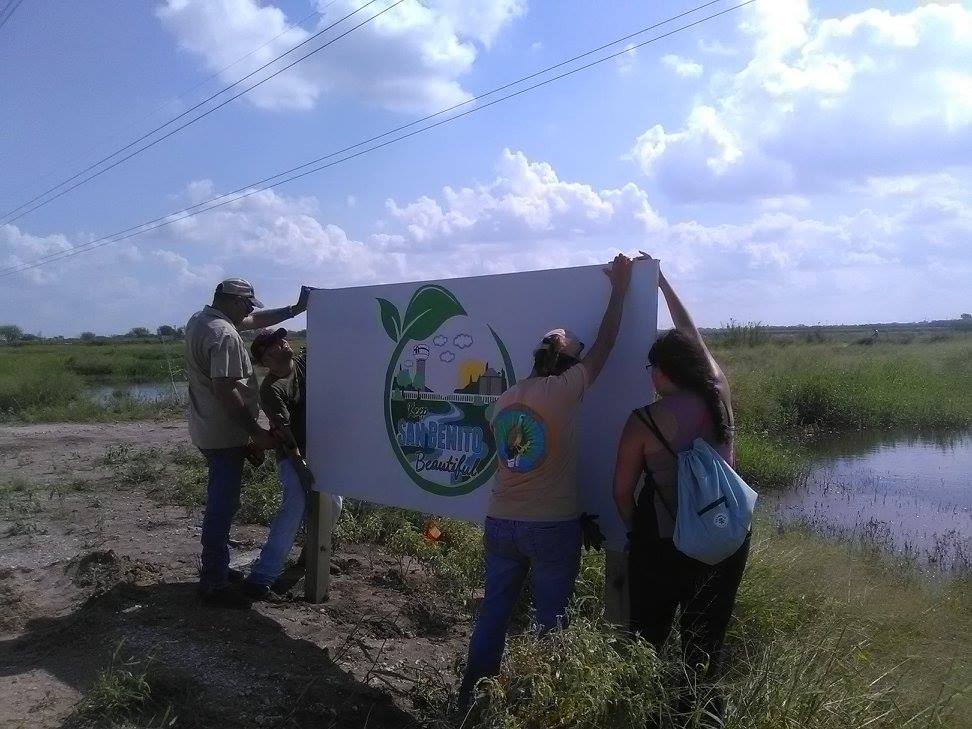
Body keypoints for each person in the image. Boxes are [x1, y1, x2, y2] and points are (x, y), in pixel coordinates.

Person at [457, 253, 634, 709]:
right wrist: (620, 287)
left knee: (494, 612)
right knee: (551, 620)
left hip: (501, 520)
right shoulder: (566, 389)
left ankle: (471, 701)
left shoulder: (506, 397)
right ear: (568, 363)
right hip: (551, 525)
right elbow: (608, 343)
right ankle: (539, 707)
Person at [612, 254, 744, 720]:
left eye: (653, 368)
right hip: (726, 533)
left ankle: (648, 715)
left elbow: (621, 493)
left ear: (663, 372)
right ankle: (702, 714)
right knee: (706, 640)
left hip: (665, 540)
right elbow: (693, 337)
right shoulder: (718, 389)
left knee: (648, 634)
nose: (650, 376)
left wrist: (637, 533)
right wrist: (663, 283)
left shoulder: (645, 421)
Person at [185, 278, 310, 608]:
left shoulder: (202, 320)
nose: (249, 312)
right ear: (232, 301)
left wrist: (294, 310)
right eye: (246, 304)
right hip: (224, 434)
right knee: (222, 506)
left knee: (223, 503)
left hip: (208, 430)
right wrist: (255, 432)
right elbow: (226, 390)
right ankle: (214, 581)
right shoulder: (224, 335)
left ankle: (219, 569)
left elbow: (255, 321)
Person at [241, 327, 342, 600]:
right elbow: (285, 436)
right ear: (264, 360)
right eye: (273, 343)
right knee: (294, 508)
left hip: (322, 453)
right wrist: (302, 467)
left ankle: (309, 557)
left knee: (333, 505)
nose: (282, 343)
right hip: (294, 456)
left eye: (281, 339)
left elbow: (327, 341)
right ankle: (262, 576)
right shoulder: (272, 390)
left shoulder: (304, 364)